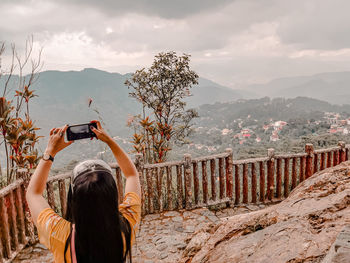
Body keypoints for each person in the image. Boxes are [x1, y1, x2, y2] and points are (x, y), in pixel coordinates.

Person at [26, 121, 141, 263]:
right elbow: (132, 175)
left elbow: (33, 193)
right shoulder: (127, 226)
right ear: (112, 194)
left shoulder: (60, 236)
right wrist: (109, 141)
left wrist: (50, 152)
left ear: (75, 201)